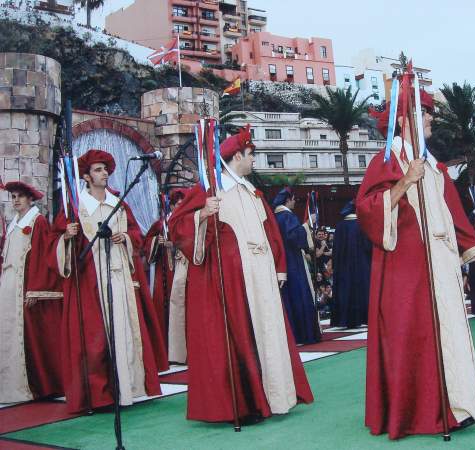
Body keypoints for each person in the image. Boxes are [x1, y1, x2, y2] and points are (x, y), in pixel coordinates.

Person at [359, 86, 475, 439]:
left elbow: (453, 212)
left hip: (440, 263)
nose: (431, 117)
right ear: (403, 120)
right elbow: (367, 210)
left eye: (430, 111)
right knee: (413, 334)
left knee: (448, 330)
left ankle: (455, 405)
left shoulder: (435, 167)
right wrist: (403, 181)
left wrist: (471, 244)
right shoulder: (386, 161)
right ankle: (419, 413)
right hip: (406, 268)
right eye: (423, 112)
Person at [169, 125, 313, 424]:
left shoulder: (254, 193)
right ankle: (248, 402)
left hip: (261, 276)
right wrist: (202, 214)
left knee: (268, 331)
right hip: (234, 281)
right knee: (242, 337)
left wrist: (279, 266)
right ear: (237, 156)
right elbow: (177, 225)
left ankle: (275, 395)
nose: (254, 162)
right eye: (251, 155)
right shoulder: (210, 191)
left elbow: (270, 232)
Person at [50, 149, 167, 413]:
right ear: (87, 177)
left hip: (118, 275)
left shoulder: (118, 203)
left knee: (122, 330)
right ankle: (99, 394)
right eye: (98, 170)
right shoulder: (75, 207)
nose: (104, 174)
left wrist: (124, 237)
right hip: (91, 280)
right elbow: (54, 242)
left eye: (105, 169)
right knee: (95, 337)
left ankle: (125, 388)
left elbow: (137, 233)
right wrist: (66, 237)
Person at [0, 182, 63, 403]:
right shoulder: (13, 225)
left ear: (30, 199)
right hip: (8, 285)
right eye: (13, 197)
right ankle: (10, 384)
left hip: (24, 285)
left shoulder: (38, 222)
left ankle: (34, 386)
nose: (16, 200)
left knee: (30, 336)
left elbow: (41, 255)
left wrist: (35, 288)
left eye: (20, 197)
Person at [144, 188, 188, 363]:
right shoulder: (161, 224)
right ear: (171, 205)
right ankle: (167, 350)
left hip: (182, 268)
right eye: (178, 204)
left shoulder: (187, 222)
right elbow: (145, 242)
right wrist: (157, 242)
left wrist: (174, 244)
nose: (181, 207)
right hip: (165, 271)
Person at [272, 188, 320, 345]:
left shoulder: (275, 217)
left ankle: (292, 334)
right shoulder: (287, 216)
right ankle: (304, 333)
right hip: (293, 261)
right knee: (299, 294)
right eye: (293, 199)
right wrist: (307, 225)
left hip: (281, 261)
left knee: (287, 297)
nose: (294, 202)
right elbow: (295, 237)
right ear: (288, 200)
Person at [330, 200, 372, 328]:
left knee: (345, 290)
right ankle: (364, 317)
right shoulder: (362, 224)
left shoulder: (340, 226)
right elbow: (368, 246)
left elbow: (335, 249)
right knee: (363, 289)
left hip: (343, 266)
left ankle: (345, 318)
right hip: (361, 264)